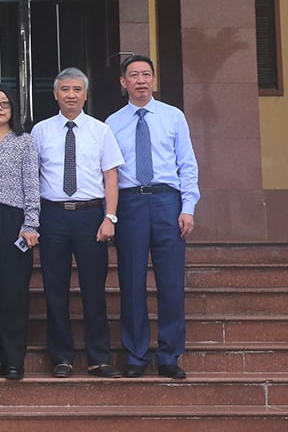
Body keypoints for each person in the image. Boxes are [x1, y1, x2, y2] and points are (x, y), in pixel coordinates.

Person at [105, 55, 198, 380]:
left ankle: (170, 355)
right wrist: (111, 214)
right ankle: (136, 355)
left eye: (146, 74)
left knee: (171, 282)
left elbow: (187, 164)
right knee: (131, 282)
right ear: (123, 82)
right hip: (130, 205)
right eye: (134, 75)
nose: (141, 80)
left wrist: (188, 208)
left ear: (154, 80)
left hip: (166, 203)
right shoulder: (112, 123)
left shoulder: (173, 117)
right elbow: (109, 173)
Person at [31, 67, 123, 379]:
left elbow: (111, 176)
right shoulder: (40, 131)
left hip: (90, 215)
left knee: (94, 289)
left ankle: (99, 357)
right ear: (55, 94)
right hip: (53, 214)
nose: (71, 95)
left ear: (85, 94)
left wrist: (110, 217)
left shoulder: (101, 130)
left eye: (77, 89)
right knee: (55, 289)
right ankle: (62, 357)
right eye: (65, 89)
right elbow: (32, 178)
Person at [0, 84, 39, 381]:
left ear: (13, 108)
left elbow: (32, 185)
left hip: (14, 220)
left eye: (4, 103)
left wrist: (31, 224)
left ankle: (15, 360)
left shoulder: (24, 142)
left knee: (13, 292)